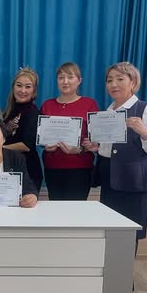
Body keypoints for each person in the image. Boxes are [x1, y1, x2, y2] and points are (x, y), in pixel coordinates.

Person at [83, 62, 147, 243]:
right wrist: (97, 147)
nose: (114, 84)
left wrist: (144, 132)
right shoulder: (108, 111)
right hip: (108, 174)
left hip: (132, 179)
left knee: (129, 231)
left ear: (133, 82)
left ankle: (126, 262)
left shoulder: (144, 109)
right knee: (110, 227)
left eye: (120, 79)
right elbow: (110, 147)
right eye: (109, 80)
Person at [40, 62, 100, 200]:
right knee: (55, 208)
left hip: (80, 168)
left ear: (79, 80)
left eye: (70, 77)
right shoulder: (47, 105)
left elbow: (97, 140)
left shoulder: (89, 104)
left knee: (75, 210)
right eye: (61, 78)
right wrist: (45, 145)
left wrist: (81, 149)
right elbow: (41, 138)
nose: (65, 81)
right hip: (52, 168)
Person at [3, 67, 43, 191]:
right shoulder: (10, 111)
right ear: (13, 87)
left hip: (28, 172)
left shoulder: (33, 112)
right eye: (19, 85)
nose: (22, 90)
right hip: (9, 168)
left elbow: (27, 145)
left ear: (34, 91)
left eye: (28, 87)